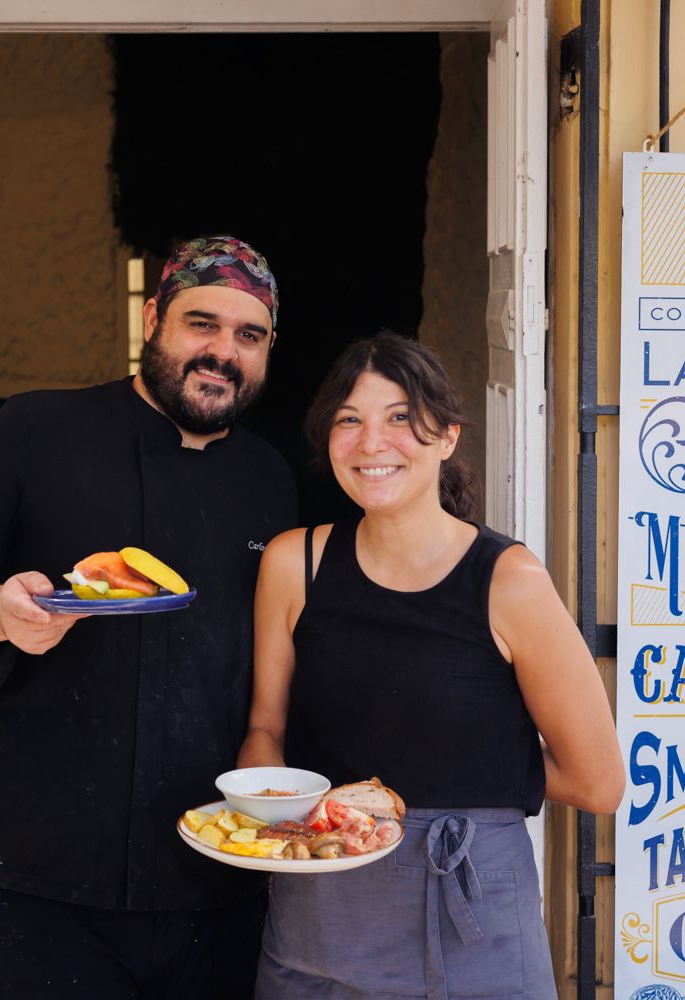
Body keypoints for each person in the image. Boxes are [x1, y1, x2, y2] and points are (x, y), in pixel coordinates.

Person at [0, 236, 297, 997]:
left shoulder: (272, 479)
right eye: (201, 323)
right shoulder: (33, 432)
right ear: (151, 320)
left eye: (249, 335)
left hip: (216, 879)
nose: (223, 353)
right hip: (32, 883)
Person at [238, 331, 623, 999]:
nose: (371, 443)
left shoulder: (509, 581)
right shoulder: (292, 565)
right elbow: (266, 731)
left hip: (471, 915)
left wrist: (458, 782)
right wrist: (262, 811)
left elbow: (598, 783)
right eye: (349, 420)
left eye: (399, 418)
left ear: (446, 436)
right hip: (320, 922)